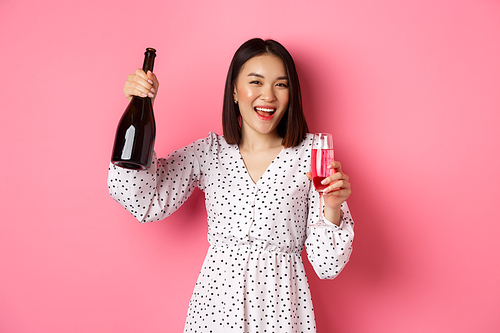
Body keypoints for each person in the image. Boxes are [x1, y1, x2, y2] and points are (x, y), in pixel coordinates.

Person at [108, 38, 354, 333]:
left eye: (281, 84)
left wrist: (331, 207)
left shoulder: (312, 154)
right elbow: (144, 202)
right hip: (216, 308)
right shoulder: (210, 153)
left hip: (281, 310)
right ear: (235, 91)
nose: (268, 96)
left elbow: (327, 266)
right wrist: (139, 102)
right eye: (256, 82)